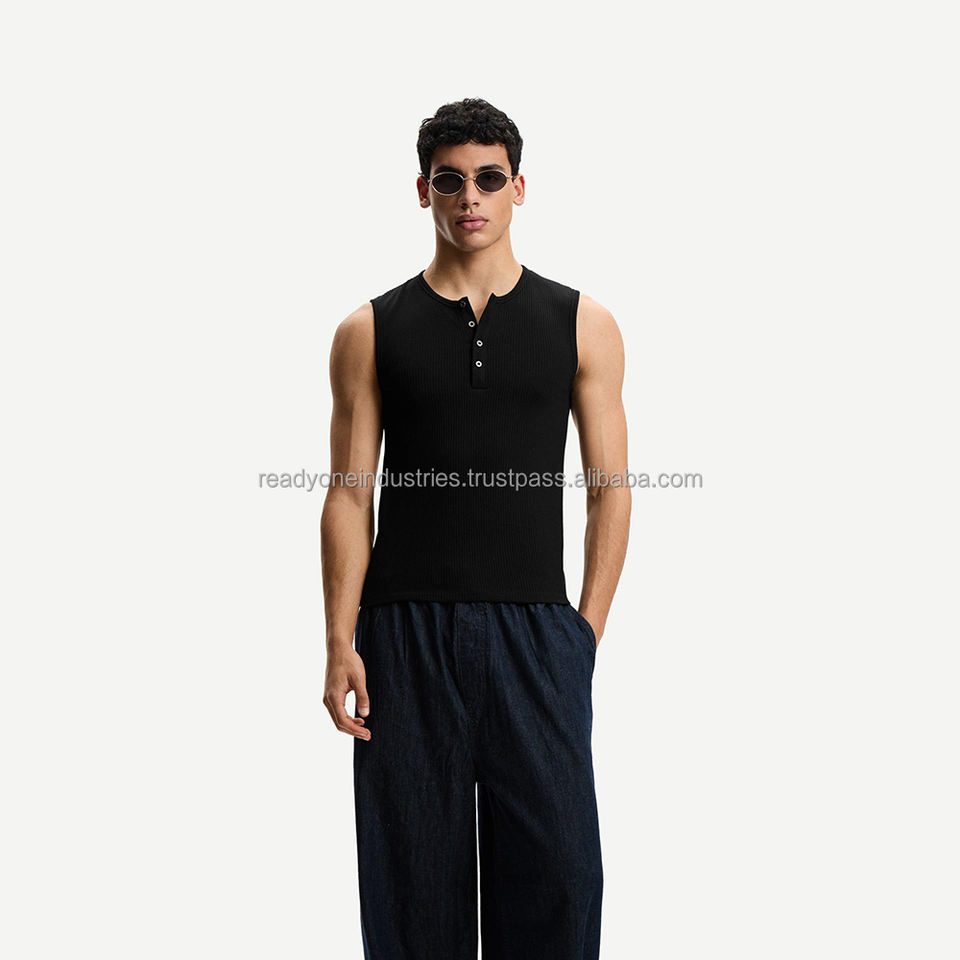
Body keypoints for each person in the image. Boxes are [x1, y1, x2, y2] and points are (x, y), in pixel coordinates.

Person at [321, 97, 630, 960]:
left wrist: (584, 633)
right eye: (450, 181)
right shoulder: (369, 330)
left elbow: (610, 489)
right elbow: (348, 495)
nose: (471, 198)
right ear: (423, 190)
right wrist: (340, 640)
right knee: (413, 890)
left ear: (518, 188)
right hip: (403, 636)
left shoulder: (582, 322)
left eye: (489, 179)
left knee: (560, 883)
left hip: (537, 635)